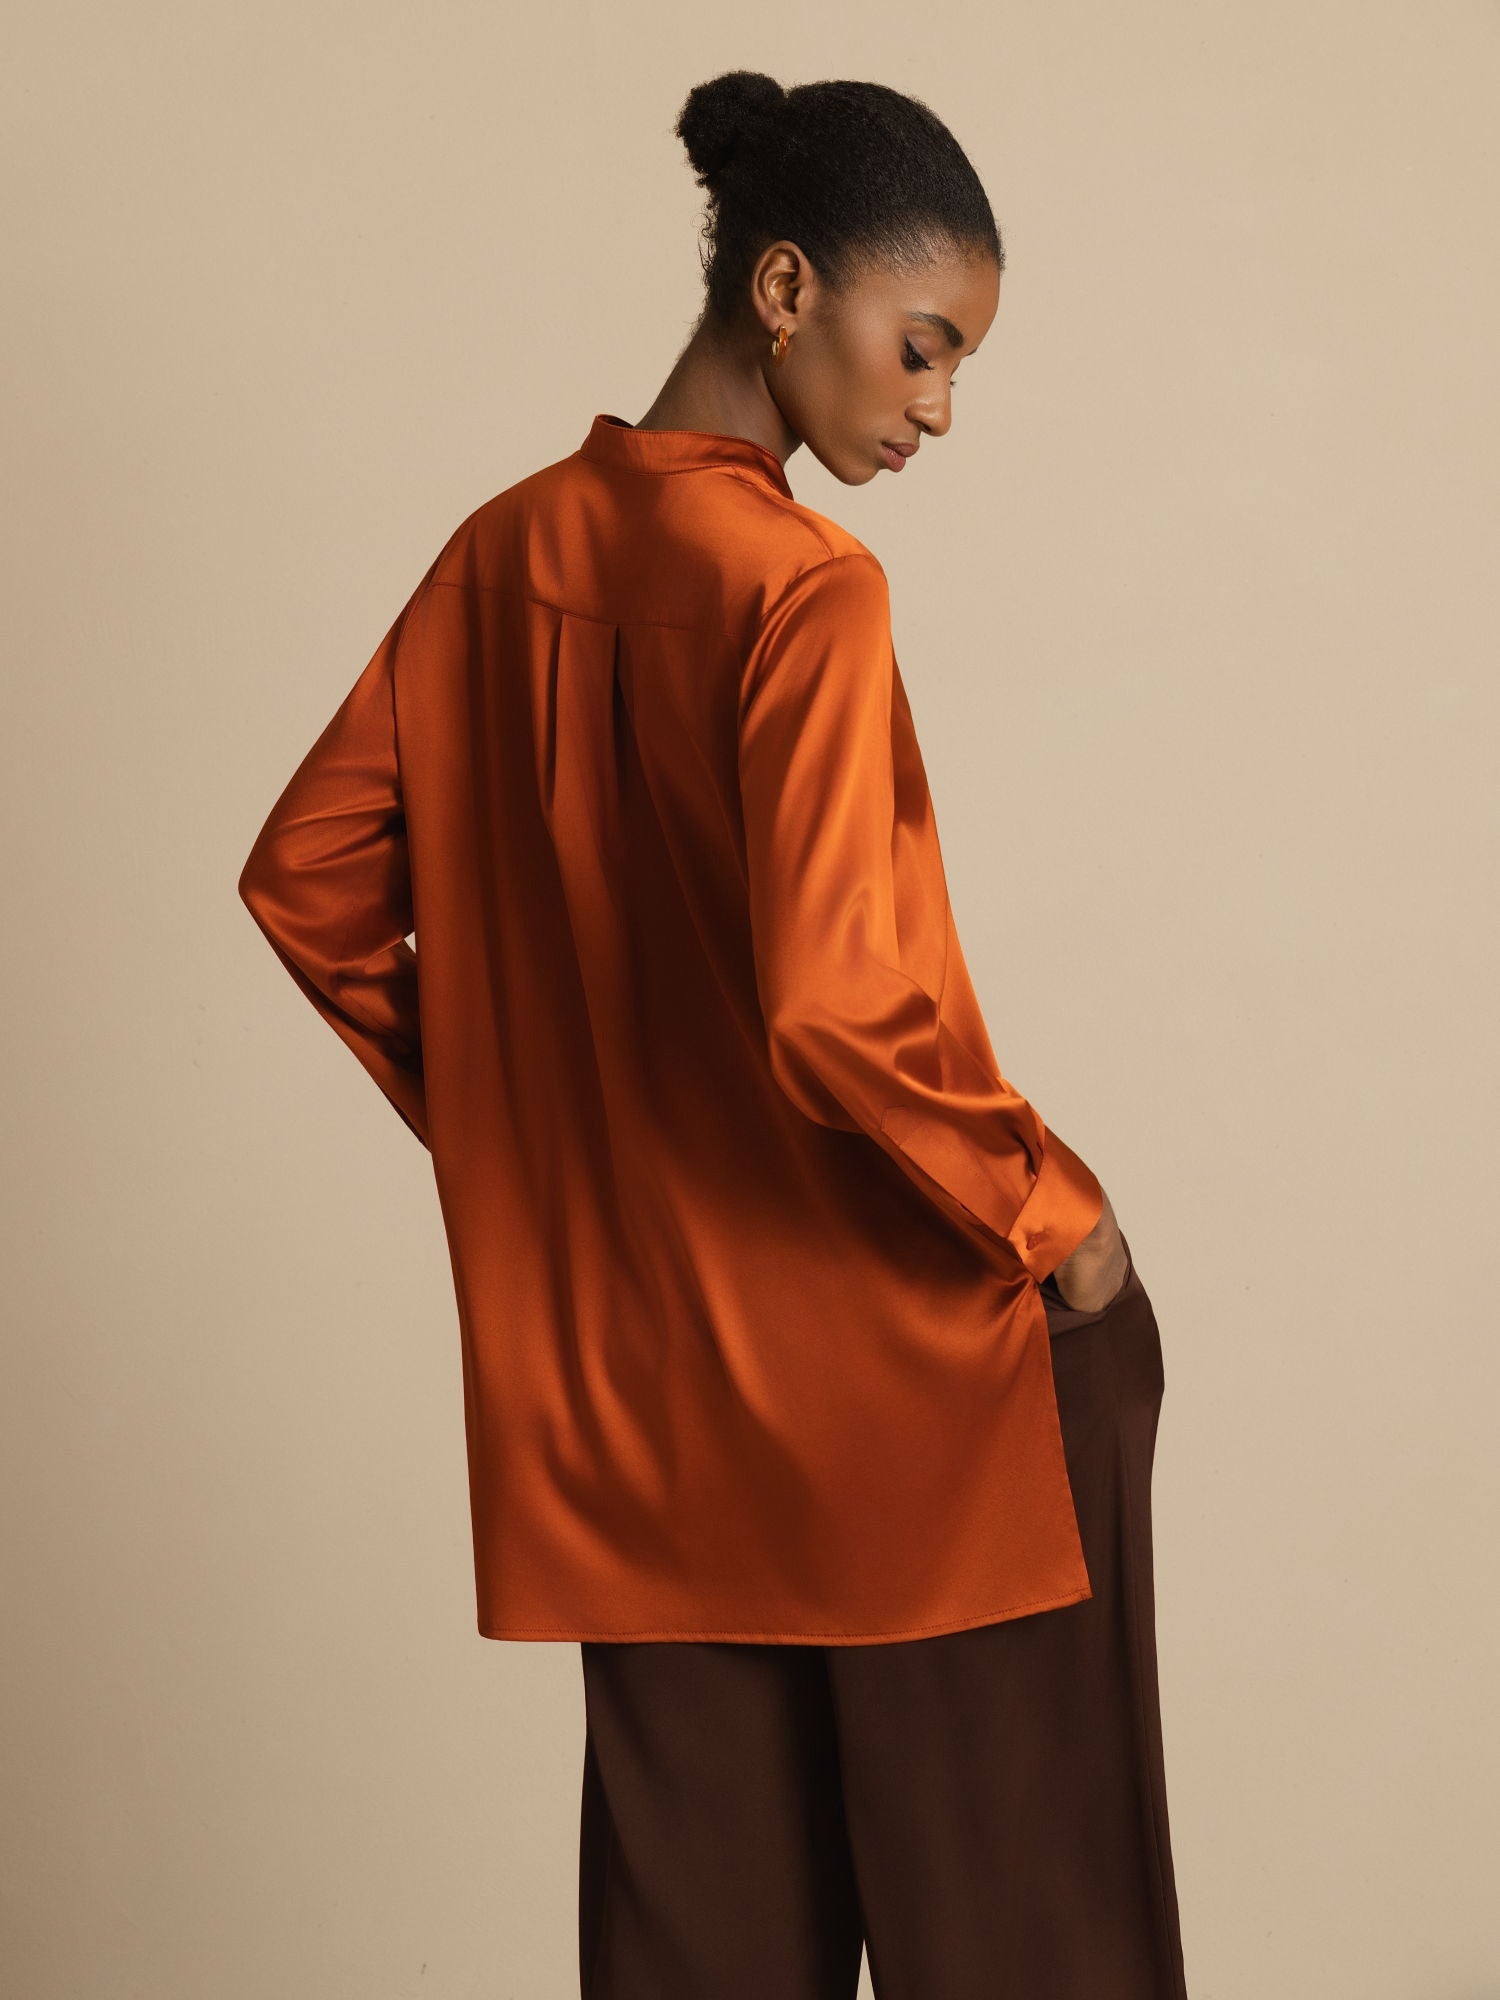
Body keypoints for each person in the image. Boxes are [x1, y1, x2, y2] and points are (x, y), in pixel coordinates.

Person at [238, 65, 1190, 2000]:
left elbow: (309, 880)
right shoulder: (804, 591)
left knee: (701, 1961)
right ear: (783, 288)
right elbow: (838, 1009)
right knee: (1033, 1942)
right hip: (913, 1411)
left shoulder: (496, 557)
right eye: (923, 347)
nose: (939, 407)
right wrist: (1059, 1217)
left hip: (634, 1413)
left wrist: (536, 1137)